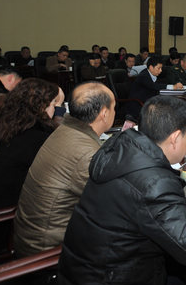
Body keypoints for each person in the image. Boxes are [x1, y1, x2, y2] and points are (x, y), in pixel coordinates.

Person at [55, 96, 186, 285]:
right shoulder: (154, 182)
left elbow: (135, 211)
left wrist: (178, 217)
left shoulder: (120, 152)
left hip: (81, 283)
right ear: (175, 138)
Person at [13, 82, 115, 257]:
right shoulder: (86, 153)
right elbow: (113, 203)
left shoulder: (64, 131)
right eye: (114, 107)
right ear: (104, 113)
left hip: (30, 237)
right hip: (48, 252)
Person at [0, 78, 63, 209]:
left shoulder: (0, 128)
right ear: (42, 107)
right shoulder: (40, 139)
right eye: (53, 105)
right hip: (8, 212)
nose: (54, 109)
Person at [126, 55, 182, 121]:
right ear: (151, 67)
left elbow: (159, 85)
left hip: (149, 102)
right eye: (158, 68)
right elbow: (154, 86)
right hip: (138, 105)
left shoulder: (153, 75)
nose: (160, 71)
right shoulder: (144, 75)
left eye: (161, 68)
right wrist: (173, 87)